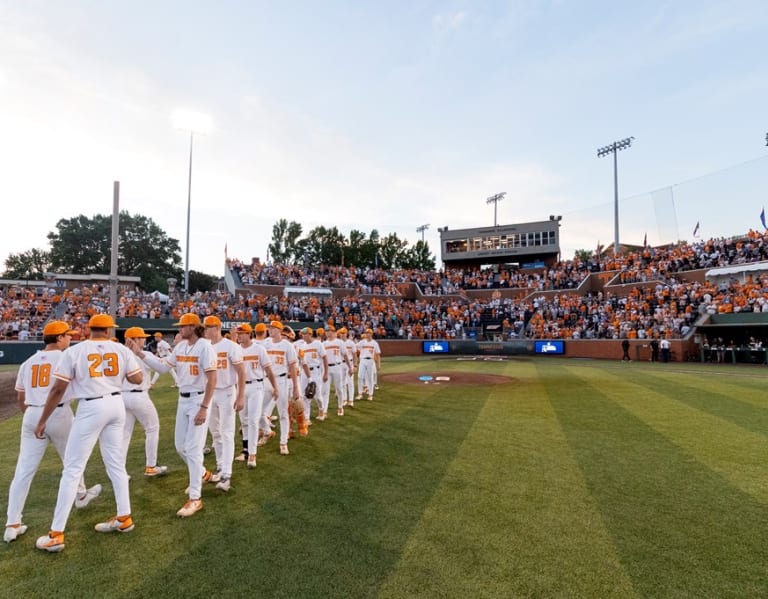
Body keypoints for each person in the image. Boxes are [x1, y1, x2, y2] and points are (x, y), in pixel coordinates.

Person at [34, 314, 143, 553]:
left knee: (73, 469)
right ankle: (124, 517)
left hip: (91, 406)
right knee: (115, 465)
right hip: (116, 404)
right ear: (108, 330)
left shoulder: (74, 351)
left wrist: (43, 419)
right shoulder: (120, 349)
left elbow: (58, 389)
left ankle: (56, 534)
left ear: (89, 329)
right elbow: (138, 378)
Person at [5, 321, 102, 544]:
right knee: (73, 461)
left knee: (23, 470)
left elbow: (20, 398)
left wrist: (35, 418)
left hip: (32, 414)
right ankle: (80, 495)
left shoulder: (28, 362)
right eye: (68, 335)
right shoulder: (66, 357)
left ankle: (12, 524)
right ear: (58, 338)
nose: (70, 338)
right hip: (58, 413)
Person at [129, 313, 217, 517]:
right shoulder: (181, 346)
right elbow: (162, 366)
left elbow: (212, 380)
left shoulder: (205, 347)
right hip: (183, 398)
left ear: (194, 327)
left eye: (183, 326)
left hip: (199, 399)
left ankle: (195, 498)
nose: (179, 329)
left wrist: (204, 407)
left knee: (193, 449)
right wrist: (141, 353)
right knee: (180, 447)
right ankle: (203, 474)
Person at [202, 315, 245, 492]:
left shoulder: (231, 346)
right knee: (215, 432)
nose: (204, 330)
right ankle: (220, 466)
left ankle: (227, 473)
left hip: (227, 391)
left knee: (227, 433)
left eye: (207, 327)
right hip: (210, 393)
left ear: (216, 328)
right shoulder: (204, 346)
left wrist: (240, 396)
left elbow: (242, 373)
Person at [120, 327, 168, 478]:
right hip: (139, 395)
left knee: (124, 435)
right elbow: (162, 369)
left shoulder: (118, 353)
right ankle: (151, 466)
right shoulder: (144, 354)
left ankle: (120, 471)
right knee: (152, 428)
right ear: (133, 340)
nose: (144, 339)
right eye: (141, 338)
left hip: (121, 396)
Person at [234, 323, 279, 468]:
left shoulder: (259, 349)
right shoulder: (236, 350)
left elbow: (269, 370)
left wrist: (275, 387)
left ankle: (252, 454)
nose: (239, 335)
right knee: (244, 421)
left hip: (256, 386)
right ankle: (246, 450)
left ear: (249, 334)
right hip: (241, 387)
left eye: (241, 333)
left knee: (253, 420)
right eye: (237, 333)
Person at [263, 320, 300, 455]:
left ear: (279, 330)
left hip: (281, 380)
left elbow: (293, 367)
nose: (270, 330)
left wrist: (295, 387)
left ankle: (283, 442)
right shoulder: (265, 343)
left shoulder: (287, 346)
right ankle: (266, 432)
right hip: (266, 381)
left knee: (283, 412)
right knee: (261, 412)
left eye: (272, 328)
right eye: (269, 328)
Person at [323, 326, 353, 416]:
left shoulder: (339, 342)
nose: (327, 332)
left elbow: (345, 355)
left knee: (339, 388)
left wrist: (350, 367)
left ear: (333, 332)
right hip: (327, 368)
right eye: (326, 331)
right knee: (325, 390)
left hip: (337, 366)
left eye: (329, 331)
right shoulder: (324, 343)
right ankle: (324, 410)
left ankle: (340, 407)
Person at [356, 328, 381, 400]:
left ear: (371, 334)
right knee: (360, 376)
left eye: (368, 333)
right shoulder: (362, 342)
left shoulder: (374, 343)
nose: (367, 334)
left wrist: (378, 364)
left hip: (370, 361)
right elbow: (355, 346)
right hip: (363, 360)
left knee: (370, 378)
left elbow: (378, 354)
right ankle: (360, 393)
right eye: (366, 333)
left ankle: (370, 394)